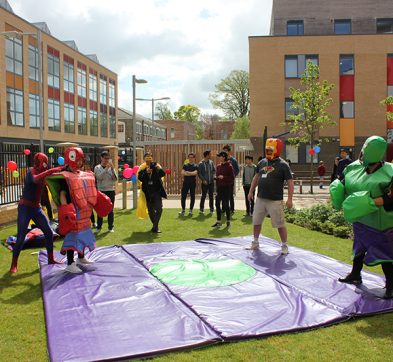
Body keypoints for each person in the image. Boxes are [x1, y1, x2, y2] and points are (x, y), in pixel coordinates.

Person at [331, 136, 393, 299]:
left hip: (381, 223)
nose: (362, 155)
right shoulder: (353, 168)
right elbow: (342, 183)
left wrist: (371, 202)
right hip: (360, 220)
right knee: (359, 248)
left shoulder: (390, 172)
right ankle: (355, 274)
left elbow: (392, 198)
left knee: (385, 253)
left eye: (366, 152)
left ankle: (392, 285)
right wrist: (337, 190)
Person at [48, 147, 112, 273]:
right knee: (73, 237)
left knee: (83, 235)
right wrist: (66, 212)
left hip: (84, 212)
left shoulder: (83, 175)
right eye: (76, 161)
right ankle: (70, 263)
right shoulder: (66, 177)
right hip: (73, 212)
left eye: (80, 161)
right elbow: (62, 193)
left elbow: (89, 191)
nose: (78, 164)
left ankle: (81, 258)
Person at [9, 153, 63, 273]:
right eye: (44, 162)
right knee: (21, 237)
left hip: (36, 208)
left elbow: (54, 176)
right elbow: (34, 179)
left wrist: (64, 169)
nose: (45, 165)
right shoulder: (31, 172)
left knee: (49, 233)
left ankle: (51, 259)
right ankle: (14, 264)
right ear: (39, 162)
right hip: (25, 208)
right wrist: (51, 170)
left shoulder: (43, 173)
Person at [248, 138, 294, 253]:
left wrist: (290, 199)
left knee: (280, 224)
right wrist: (250, 191)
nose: (268, 152)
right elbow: (256, 177)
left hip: (275, 200)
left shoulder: (283, 165)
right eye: (267, 150)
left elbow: (290, 182)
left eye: (270, 150)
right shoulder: (262, 162)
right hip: (260, 198)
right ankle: (255, 241)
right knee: (256, 221)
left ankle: (284, 245)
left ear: (277, 150)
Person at [138, 152, 167, 233]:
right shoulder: (142, 169)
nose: (148, 159)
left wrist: (158, 168)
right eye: (147, 158)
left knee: (159, 209)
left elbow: (163, 174)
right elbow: (140, 178)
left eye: (150, 157)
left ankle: (155, 226)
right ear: (144, 159)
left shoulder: (156, 166)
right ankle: (155, 227)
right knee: (150, 210)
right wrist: (146, 172)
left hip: (157, 191)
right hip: (148, 192)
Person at [94, 150, 118, 232]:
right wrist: (106, 169)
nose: (107, 160)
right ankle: (99, 227)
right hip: (101, 191)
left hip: (110, 190)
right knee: (100, 209)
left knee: (110, 210)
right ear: (101, 158)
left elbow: (115, 179)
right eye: (105, 158)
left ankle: (110, 226)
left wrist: (112, 169)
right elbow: (99, 177)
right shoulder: (97, 168)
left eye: (108, 158)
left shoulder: (111, 168)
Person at [212, 151, 235, 228]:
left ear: (224, 157)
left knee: (225, 205)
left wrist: (224, 177)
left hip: (226, 188)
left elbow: (232, 178)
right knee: (217, 204)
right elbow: (218, 176)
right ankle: (218, 222)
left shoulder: (229, 166)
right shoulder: (218, 166)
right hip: (219, 188)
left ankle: (228, 221)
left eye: (220, 156)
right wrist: (216, 178)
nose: (219, 158)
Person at [223, 145, 239, 215]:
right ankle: (224, 208)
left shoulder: (233, 160)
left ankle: (232, 209)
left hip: (230, 181)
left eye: (226, 151)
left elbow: (237, 170)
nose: (224, 152)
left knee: (230, 195)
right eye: (224, 151)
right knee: (224, 195)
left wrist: (232, 177)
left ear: (229, 151)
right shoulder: (223, 159)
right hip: (223, 181)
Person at [198, 150, 215, 214]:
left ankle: (211, 209)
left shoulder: (211, 162)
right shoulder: (201, 163)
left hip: (211, 182)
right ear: (207, 155)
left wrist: (213, 176)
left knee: (211, 196)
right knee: (203, 196)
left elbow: (214, 170)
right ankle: (201, 209)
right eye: (210, 154)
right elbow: (199, 173)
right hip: (204, 183)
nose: (211, 155)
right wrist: (203, 180)